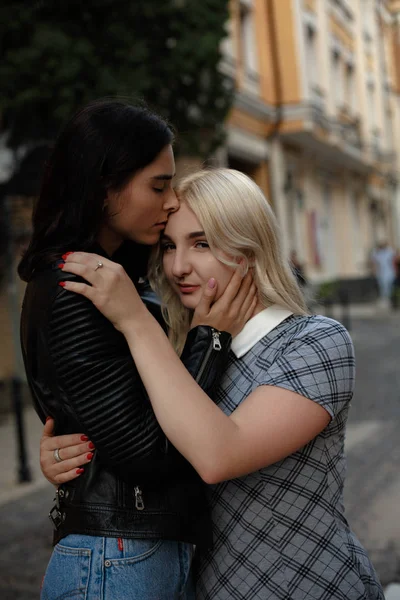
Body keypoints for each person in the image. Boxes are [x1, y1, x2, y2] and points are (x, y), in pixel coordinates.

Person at [41, 169, 384, 599]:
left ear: (249, 248)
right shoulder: (175, 351)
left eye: (201, 243)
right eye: (169, 246)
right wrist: (76, 460)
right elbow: (148, 453)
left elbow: (217, 454)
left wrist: (133, 320)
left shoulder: (314, 341)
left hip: (312, 586)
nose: (179, 266)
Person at [19, 100, 255, 600]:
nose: (171, 201)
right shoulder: (77, 287)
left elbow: (123, 410)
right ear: (106, 184)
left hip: (137, 550)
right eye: (158, 185)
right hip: (116, 558)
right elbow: (152, 450)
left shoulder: (119, 278)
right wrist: (208, 341)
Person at [370, 240, 396, 309]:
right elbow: (373, 260)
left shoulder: (389, 252)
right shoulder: (377, 253)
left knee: (390, 286)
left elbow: (394, 259)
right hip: (381, 273)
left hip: (390, 272)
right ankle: (386, 302)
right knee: (383, 287)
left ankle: (391, 301)